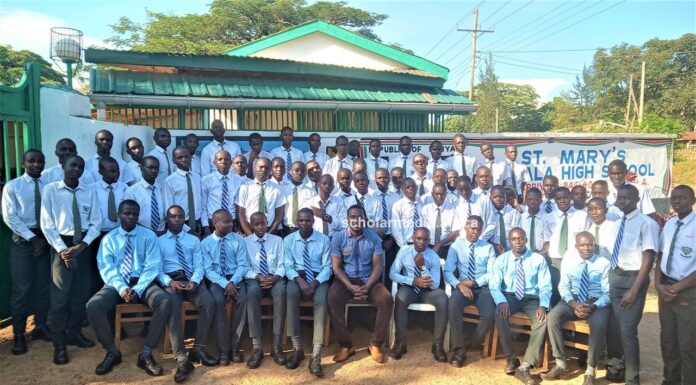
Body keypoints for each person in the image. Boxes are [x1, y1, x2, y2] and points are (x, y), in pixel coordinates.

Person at [85, 200, 172, 377]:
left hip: (143, 282)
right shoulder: (109, 238)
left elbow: (152, 266)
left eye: (134, 214)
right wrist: (122, 288)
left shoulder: (148, 236)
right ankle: (112, 351)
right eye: (127, 213)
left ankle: (146, 354)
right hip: (117, 283)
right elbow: (106, 267)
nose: (131, 217)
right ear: (119, 214)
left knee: (164, 300)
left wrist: (138, 289)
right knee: (93, 306)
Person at [40, 155, 101, 365]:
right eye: (72, 165)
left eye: (80, 167)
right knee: (59, 298)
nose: (76, 169)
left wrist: (81, 247)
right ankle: (59, 344)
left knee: (80, 295)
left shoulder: (89, 191)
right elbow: (47, 224)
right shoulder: (50, 190)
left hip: (82, 246)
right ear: (63, 166)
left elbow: (96, 222)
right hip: (61, 246)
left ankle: (74, 334)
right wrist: (64, 251)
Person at [542, 232, 611, 385]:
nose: (587, 248)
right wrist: (573, 303)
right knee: (552, 317)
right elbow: (564, 286)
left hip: (596, 301)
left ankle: (590, 370)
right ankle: (561, 363)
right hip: (572, 299)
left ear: (594, 245)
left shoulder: (604, 263)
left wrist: (593, 306)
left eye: (590, 244)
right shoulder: (569, 261)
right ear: (576, 246)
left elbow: (608, 293)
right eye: (583, 245)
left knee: (598, 325)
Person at [328, 205, 393, 364]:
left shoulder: (374, 238)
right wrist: (350, 286)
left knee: (386, 299)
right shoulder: (338, 238)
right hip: (346, 280)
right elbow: (336, 267)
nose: (356, 220)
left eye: (359, 217)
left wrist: (368, 286)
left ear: (365, 219)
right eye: (352, 217)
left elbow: (378, 266)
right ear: (348, 219)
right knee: (332, 298)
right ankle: (346, 345)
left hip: (367, 280)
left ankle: (376, 344)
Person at [158, 205, 217, 380]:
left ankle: (198, 348)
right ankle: (182, 357)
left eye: (180, 217)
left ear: (185, 219)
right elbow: (156, 268)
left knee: (209, 303)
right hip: (171, 281)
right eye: (173, 217)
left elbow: (199, 265)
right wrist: (170, 282)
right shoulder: (159, 241)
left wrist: (194, 281)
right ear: (167, 219)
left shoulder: (193, 240)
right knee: (173, 308)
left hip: (191, 279)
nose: (177, 220)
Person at [2, 150, 51, 354]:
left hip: (45, 239)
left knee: (43, 287)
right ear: (23, 163)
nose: (36, 165)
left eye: (40, 161)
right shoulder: (13, 186)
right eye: (31, 161)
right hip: (23, 242)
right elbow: (9, 217)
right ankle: (19, 335)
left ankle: (40, 327)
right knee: (21, 291)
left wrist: (44, 239)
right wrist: (32, 239)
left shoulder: (48, 185)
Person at [610, 184, 659, 385]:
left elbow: (648, 258)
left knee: (628, 330)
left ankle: (632, 379)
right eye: (619, 198)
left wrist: (634, 290)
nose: (622, 201)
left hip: (633, 280)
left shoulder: (647, 224)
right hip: (615, 277)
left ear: (637, 200)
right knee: (615, 328)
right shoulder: (617, 223)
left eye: (626, 198)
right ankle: (618, 368)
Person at [490, 227, 551, 385]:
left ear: (526, 240)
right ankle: (511, 358)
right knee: (500, 313)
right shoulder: (501, 259)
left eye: (521, 238)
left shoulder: (538, 259)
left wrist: (543, 305)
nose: (518, 242)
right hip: (509, 296)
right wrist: (501, 301)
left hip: (532, 298)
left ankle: (525, 365)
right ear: (509, 241)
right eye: (514, 239)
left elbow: (545, 286)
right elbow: (494, 286)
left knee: (542, 320)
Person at [655, 185, 696, 385]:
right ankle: (670, 380)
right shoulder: (670, 224)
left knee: (688, 345)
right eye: (674, 198)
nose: (677, 201)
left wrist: (676, 289)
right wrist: (658, 284)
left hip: (687, 292)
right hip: (666, 290)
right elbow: (661, 255)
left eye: (683, 198)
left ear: (693, 201)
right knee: (668, 341)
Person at [284, 208, 332, 376]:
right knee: (290, 296)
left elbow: (328, 267)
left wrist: (314, 282)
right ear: (297, 222)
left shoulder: (324, 240)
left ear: (313, 221)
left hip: (318, 278)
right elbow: (288, 266)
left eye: (307, 220)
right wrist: (300, 281)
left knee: (321, 301)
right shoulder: (289, 240)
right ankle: (297, 349)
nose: (304, 224)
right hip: (297, 277)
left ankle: (316, 354)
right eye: (301, 221)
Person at [389, 227, 448, 362]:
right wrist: (413, 281)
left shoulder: (433, 256)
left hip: (428, 291)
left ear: (429, 241)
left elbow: (435, 284)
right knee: (400, 298)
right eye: (419, 238)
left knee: (443, 299)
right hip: (410, 287)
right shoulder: (404, 251)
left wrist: (422, 267)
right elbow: (392, 274)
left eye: (425, 239)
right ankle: (401, 343)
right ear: (413, 238)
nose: (422, 242)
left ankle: (438, 345)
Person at [445, 216, 496, 367]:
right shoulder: (456, 246)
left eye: (479, 229)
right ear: (466, 227)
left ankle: (471, 341)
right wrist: (459, 285)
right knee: (453, 304)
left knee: (489, 315)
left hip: (482, 288)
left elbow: (492, 273)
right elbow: (448, 270)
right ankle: (459, 351)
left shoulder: (488, 247)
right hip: (463, 287)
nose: (476, 232)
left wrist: (475, 282)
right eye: (473, 228)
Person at [201, 209, 248, 365]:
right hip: (217, 280)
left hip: (235, 278)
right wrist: (224, 284)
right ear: (215, 223)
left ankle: (235, 347)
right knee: (217, 302)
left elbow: (242, 264)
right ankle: (223, 349)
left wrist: (232, 282)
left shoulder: (239, 240)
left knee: (243, 300)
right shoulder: (205, 243)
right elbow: (207, 270)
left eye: (231, 221)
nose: (231, 224)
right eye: (226, 222)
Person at [244, 212, 286, 369]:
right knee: (252, 293)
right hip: (255, 278)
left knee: (281, 292)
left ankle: (276, 346)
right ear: (251, 225)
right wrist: (257, 277)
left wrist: (275, 277)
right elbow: (244, 266)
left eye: (263, 223)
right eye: (256, 224)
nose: (260, 227)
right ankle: (257, 347)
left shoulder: (277, 240)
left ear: (267, 223)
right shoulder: (246, 242)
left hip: (275, 278)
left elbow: (282, 263)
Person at [544, 187, 589, 305]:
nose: (563, 201)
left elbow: (585, 237)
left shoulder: (582, 216)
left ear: (570, 198)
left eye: (565, 198)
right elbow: (547, 240)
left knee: (572, 288)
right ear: (555, 200)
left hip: (573, 259)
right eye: (559, 199)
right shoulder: (548, 218)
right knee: (555, 289)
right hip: (555, 260)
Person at [236, 157, 286, 236]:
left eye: (267, 168)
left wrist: (269, 235)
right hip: (249, 229)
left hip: (270, 230)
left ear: (270, 170)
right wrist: (250, 236)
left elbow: (278, 217)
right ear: (255, 167)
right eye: (261, 167)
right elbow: (241, 215)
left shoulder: (278, 189)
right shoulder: (245, 187)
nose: (263, 170)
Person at [369, 168, 400, 287]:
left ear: (390, 179)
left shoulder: (396, 197)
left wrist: (392, 239)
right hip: (375, 238)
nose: (383, 179)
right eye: (379, 177)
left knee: (390, 268)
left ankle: (388, 293)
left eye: (385, 177)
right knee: (375, 267)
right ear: (375, 180)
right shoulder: (370, 197)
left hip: (392, 238)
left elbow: (397, 221)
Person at [201, 150, 243, 236]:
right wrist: (206, 228)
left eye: (226, 159)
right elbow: (203, 207)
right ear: (214, 162)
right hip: (213, 222)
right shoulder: (206, 180)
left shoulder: (238, 180)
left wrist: (239, 226)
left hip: (232, 222)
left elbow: (239, 205)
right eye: (220, 159)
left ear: (231, 162)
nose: (223, 161)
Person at [163, 146, 203, 234]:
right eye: (180, 157)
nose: (184, 159)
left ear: (190, 157)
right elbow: (168, 208)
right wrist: (187, 230)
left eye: (187, 156)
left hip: (198, 223)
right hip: (180, 224)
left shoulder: (197, 177)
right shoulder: (169, 181)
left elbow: (201, 202)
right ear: (173, 160)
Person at [124, 156, 166, 234]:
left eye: (156, 168)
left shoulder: (162, 189)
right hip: (141, 233)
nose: (154, 171)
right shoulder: (132, 191)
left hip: (162, 233)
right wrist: (150, 233)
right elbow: (128, 217)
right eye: (150, 167)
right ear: (141, 168)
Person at [422, 182, 459, 259]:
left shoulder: (452, 209)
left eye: (442, 194)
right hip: (428, 246)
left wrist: (440, 243)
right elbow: (422, 230)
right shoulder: (425, 209)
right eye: (437, 194)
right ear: (432, 194)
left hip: (446, 247)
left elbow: (456, 231)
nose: (440, 197)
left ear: (446, 194)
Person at [91, 157, 127, 235]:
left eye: (118, 170)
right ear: (100, 172)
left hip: (120, 231)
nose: (116, 173)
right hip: (98, 232)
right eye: (111, 171)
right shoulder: (92, 189)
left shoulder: (125, 188)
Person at [280, 161, 315, 236]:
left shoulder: (311, 192)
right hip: (286, 229)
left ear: (306, 173)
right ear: (290, 171)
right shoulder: (282, 190)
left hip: (305, 230)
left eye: (302, 171)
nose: (299, 173)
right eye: (296, 170)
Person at [489, 185, 521, 255]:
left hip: (511, 252)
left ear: (506, 198)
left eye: (501, 197)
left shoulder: (514, 213)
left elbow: (518, 234)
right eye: (495, 197)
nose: (498, 199)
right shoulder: (488, 213)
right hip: (492, 252)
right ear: (491, 198)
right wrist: (494, 246)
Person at [391, 178, 423, 248]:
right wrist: (403, 246)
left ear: (417, 188)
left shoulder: (421, 203)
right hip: (406, 243)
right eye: (407, 187)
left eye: (413, 186)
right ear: (402, 189)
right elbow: (396, 228)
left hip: (421, 243)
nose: (411, 189)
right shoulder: (398, 205)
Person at [519, 188, 548, 254]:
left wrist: (542, 252)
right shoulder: (520, 218)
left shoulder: (547, 218)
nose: (532, 202)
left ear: (541, 201)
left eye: (536, 199)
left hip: (542, 254)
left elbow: (548, 239)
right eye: (530, 199)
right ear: (526, 201)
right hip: (523, 254)